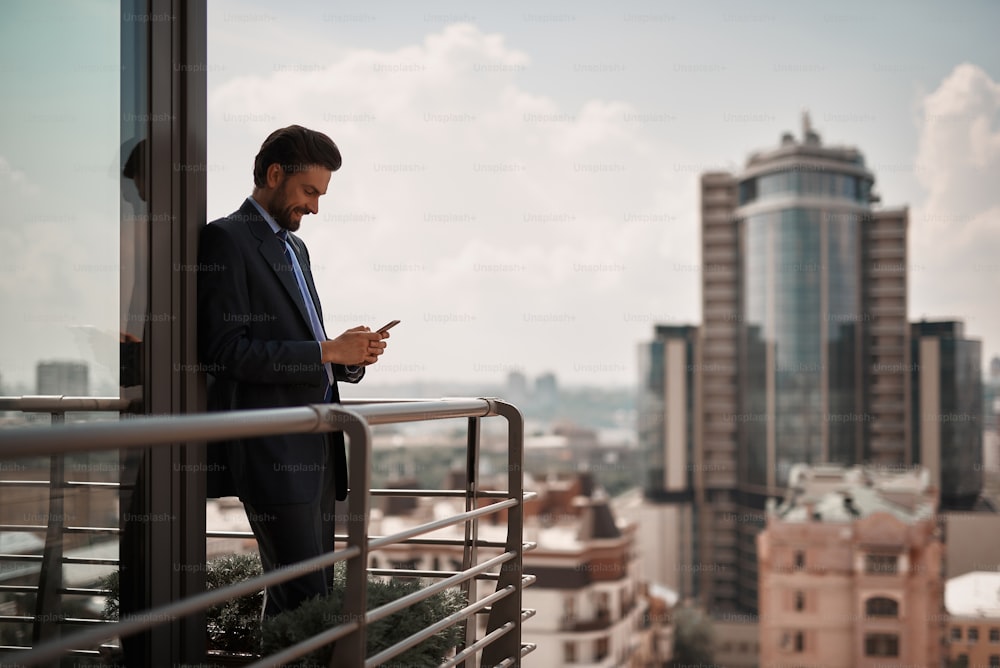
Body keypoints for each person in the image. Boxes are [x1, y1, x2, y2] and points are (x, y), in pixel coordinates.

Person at [197, 125, 388, 618]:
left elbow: (309, 345)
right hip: (273, 448)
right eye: (309, 192)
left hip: (318, 445)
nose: (316, 208)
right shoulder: (225, 239)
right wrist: (327, 351)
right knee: (300, 596)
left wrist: (349, 355)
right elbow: (225, 352)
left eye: (321, 195)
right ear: (274, 174)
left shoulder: (295, 248)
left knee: (314, 591)